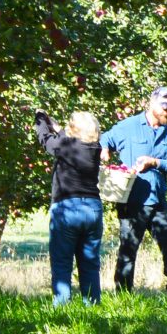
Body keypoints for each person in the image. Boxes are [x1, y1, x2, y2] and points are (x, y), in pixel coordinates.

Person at [102, 87, 167, 297]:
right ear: (152, 104)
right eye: (164, 107)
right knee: (129, 248)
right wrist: (104, 149)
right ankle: (123, 296)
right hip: (132, 201)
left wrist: (156, 162)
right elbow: (105, 139)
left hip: (158, 200)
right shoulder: (128, 126)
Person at [36, 108, 105, 305]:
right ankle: (92, 306)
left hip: (68, 208)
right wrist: (56, 126)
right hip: (92, 208)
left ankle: (63, 310)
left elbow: (47, 142)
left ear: (73, 129)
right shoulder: (96, 147)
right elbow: (67, 138)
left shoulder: (67, 145)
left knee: (62, 263)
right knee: (90, 264)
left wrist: (40, 118)